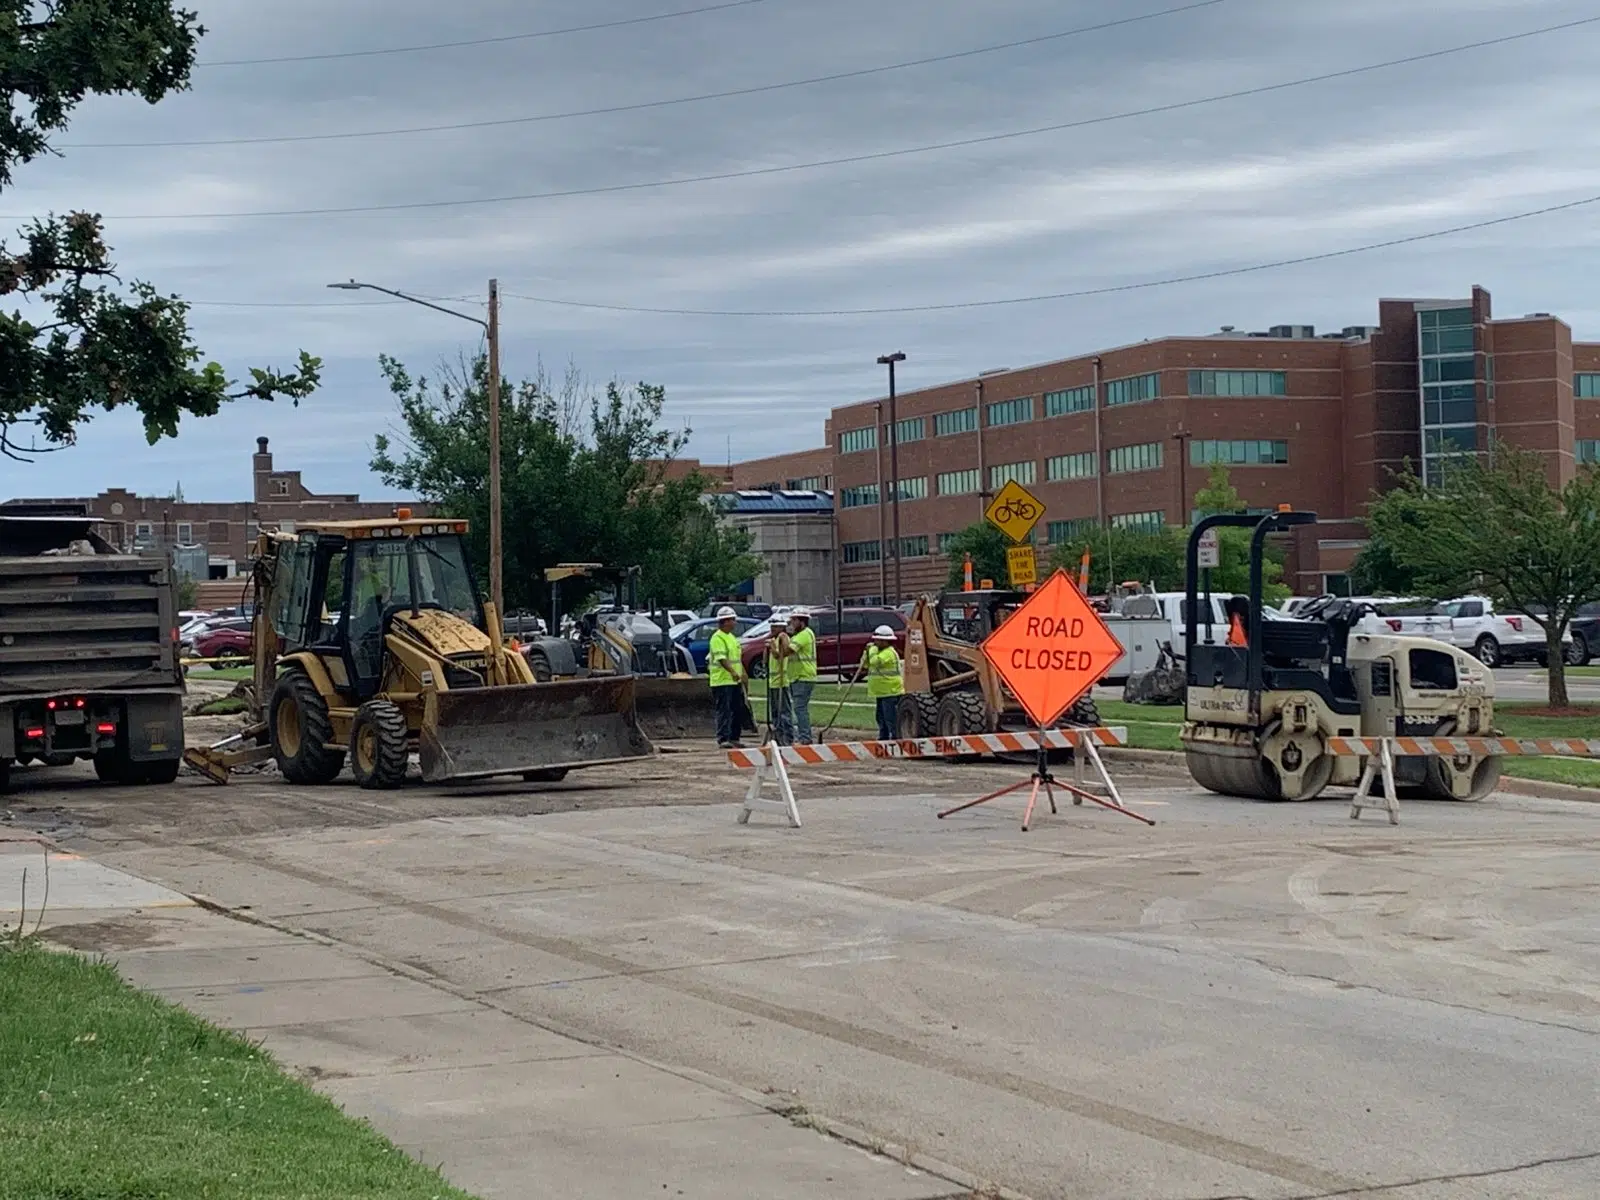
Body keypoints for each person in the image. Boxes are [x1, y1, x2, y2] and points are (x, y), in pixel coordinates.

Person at [856, 624, 904, 741]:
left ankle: (895, 739)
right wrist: (866, 654)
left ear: (885, 641)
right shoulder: (877, 652)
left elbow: (875, 662)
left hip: (890, 691)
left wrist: (872, 650)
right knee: (880, 717)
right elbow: (867, 665)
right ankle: (883, 738)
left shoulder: (888, 653)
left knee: (890, 718)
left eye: (877, 640)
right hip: (881, 692)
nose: (875, 642)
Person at [708, 606, 746, 748]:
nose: (735, 623)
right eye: (732, 620)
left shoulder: (731, 638)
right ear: (725, 621)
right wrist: (733, 672)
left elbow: (736, 659)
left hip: (733, 680)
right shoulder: (717, 638)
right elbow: (722, 659)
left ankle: (734, 737)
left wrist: (741, 674)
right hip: (721, 680)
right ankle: (723, 738)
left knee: (737, 709)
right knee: (724, 710)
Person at [787, 609, 818, 744]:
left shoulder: (804, 634)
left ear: (802, 621)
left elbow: (788, 650)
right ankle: (803, 736)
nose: (792, 623)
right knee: (799, 708)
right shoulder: (800, 634)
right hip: (798, 676)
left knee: (800, 708)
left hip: (803, 676)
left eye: (794, 620)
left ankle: (805, 737)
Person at [766, 621, 795, 745]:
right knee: (775, 713)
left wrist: (773, 647)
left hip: (781, 682)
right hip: (773, 682)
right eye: (772, 626)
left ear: (781, 627)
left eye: (775, 626)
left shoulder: (783, 638)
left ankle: (787, 737)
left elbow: (780, 655)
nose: (773, 628)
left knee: (784, 712)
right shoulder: (773, 639)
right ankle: (778, 736)